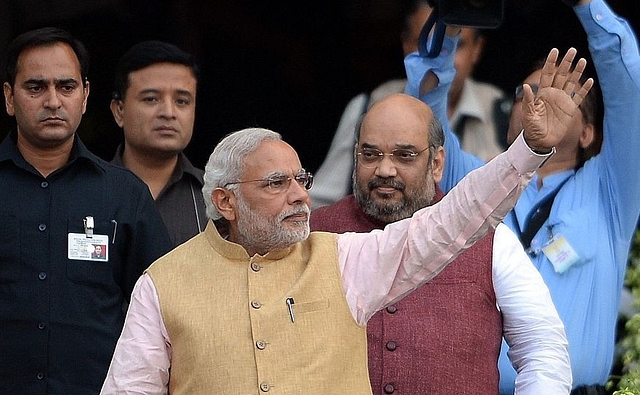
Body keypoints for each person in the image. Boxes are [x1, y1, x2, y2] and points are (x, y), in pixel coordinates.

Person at [100, 62, 591, 393]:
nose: (299, 195)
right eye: (276, 183)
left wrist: (527, 149)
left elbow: (450, 222)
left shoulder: (341, 257)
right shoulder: (163, 283)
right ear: (225, 200)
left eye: (302, 179)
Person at [403, 0, 640, 393]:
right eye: (524, 92)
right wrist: (450, 26)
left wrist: (586, 5)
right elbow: (422, 117)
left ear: (588, 133)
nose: (539, 100)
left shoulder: (613, 189)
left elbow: (628, 90)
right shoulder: (474, 180)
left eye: (562, 92)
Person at [309, 93, 571, 394]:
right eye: (370, 155)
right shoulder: (315, 233)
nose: (384, 170)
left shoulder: (491, 240)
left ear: (437, 163)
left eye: (403, 155)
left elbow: (542, 349)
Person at [0, 27, 173, 394]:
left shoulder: (124, 194)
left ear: (84, 95)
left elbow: (166, 307)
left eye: (66, 86)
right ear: (9, 97)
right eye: (35, 87)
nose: (52, 101)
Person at [309, 0, 508, 209]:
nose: (441, 56)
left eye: (458, 45)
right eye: (371, 154)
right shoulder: (368, 107)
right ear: (405, 44)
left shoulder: (504, 109)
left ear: (477, 49)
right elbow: (319, 203)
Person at [110, 40, 207, 246]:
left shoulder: (217, 198)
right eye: (151, 99)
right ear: (119, 110)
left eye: (181, 101)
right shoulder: (87, 192)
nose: (168, 113)